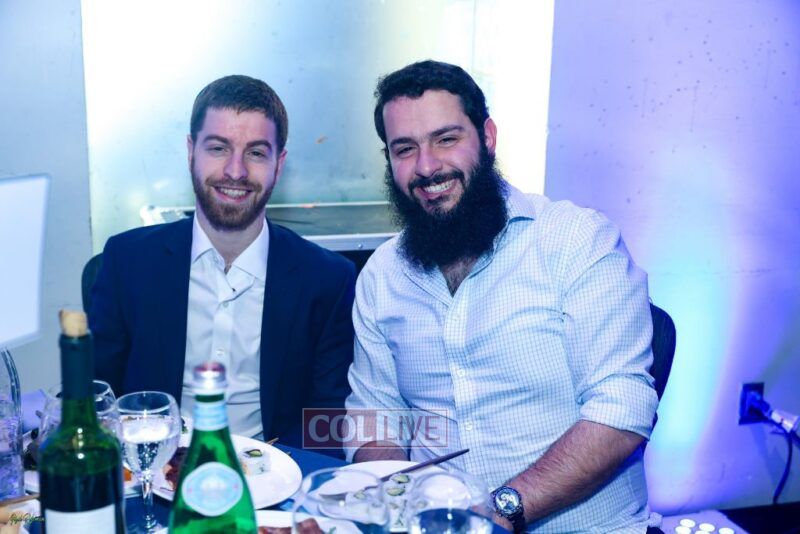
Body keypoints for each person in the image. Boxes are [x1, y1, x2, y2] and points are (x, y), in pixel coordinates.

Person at [345, 60, 661, 532]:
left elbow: (623, 407)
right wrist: (398, 506)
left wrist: (501, 509)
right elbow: (373, 419)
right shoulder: (381, 276)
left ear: (487, 137)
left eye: (446, 139)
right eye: (405, 148)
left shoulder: (576, 241)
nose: (427, 166)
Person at [90, 75, 356, 450]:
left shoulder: (328, 279)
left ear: (278, 164)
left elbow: (326, 419)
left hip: (277, 474)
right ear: (191, 151)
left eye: (256, 153)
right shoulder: (128, 262)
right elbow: (96, 398)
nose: (235, 171)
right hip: (153, 467)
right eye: (218, 148)